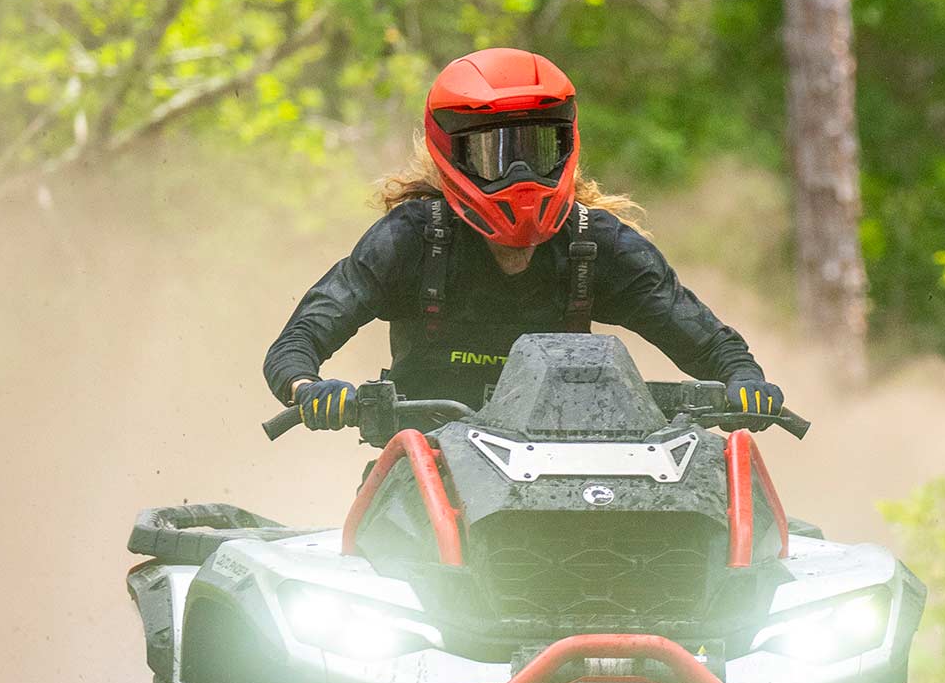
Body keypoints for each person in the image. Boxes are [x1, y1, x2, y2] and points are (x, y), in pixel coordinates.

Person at [263, 48, 785, 425]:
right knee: (377, 568)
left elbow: (717, 349)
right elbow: (295, 345)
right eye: (494, 155)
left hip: (572, 479)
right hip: (421, 471)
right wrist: (311, 389)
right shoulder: (410, 240)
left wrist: (746, 385)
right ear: (451, 155)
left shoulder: (596, 243)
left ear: (567, 146)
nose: (519, 177)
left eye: (536, 150)